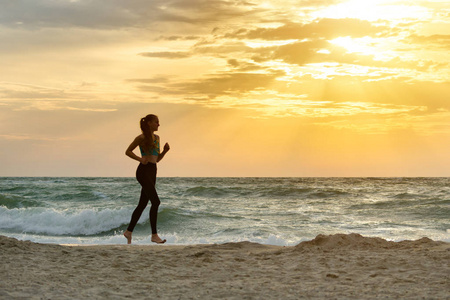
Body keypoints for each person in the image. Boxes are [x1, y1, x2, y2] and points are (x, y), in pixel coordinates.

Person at [123, 114, 170, 244]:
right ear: (149, 123)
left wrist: (165, 151)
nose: (158, 124)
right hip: (143, 171)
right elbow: (128, 151)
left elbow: (157, 159)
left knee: (143, 204)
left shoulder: (157, 138)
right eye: (156, 122)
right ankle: (154, 235)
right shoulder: (141, 137)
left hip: (153, 170)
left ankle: (128, 232)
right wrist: (139, 159)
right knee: (156, 202)